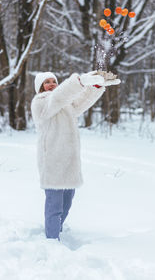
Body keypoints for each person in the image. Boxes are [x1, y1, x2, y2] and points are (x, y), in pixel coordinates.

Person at [31, 71, 120, 240]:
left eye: (53, 81)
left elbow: (81, 102)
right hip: (52, 163)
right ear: (40, 87)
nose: (51, 84)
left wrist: (96, 86)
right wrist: (79, 81)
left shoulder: (65, 105)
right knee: (54, 206)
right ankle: (51, 239)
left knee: (66, 204)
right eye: (46, 82)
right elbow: (58, 96)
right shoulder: (41, 103)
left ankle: (57, 230)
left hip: (69, 162)